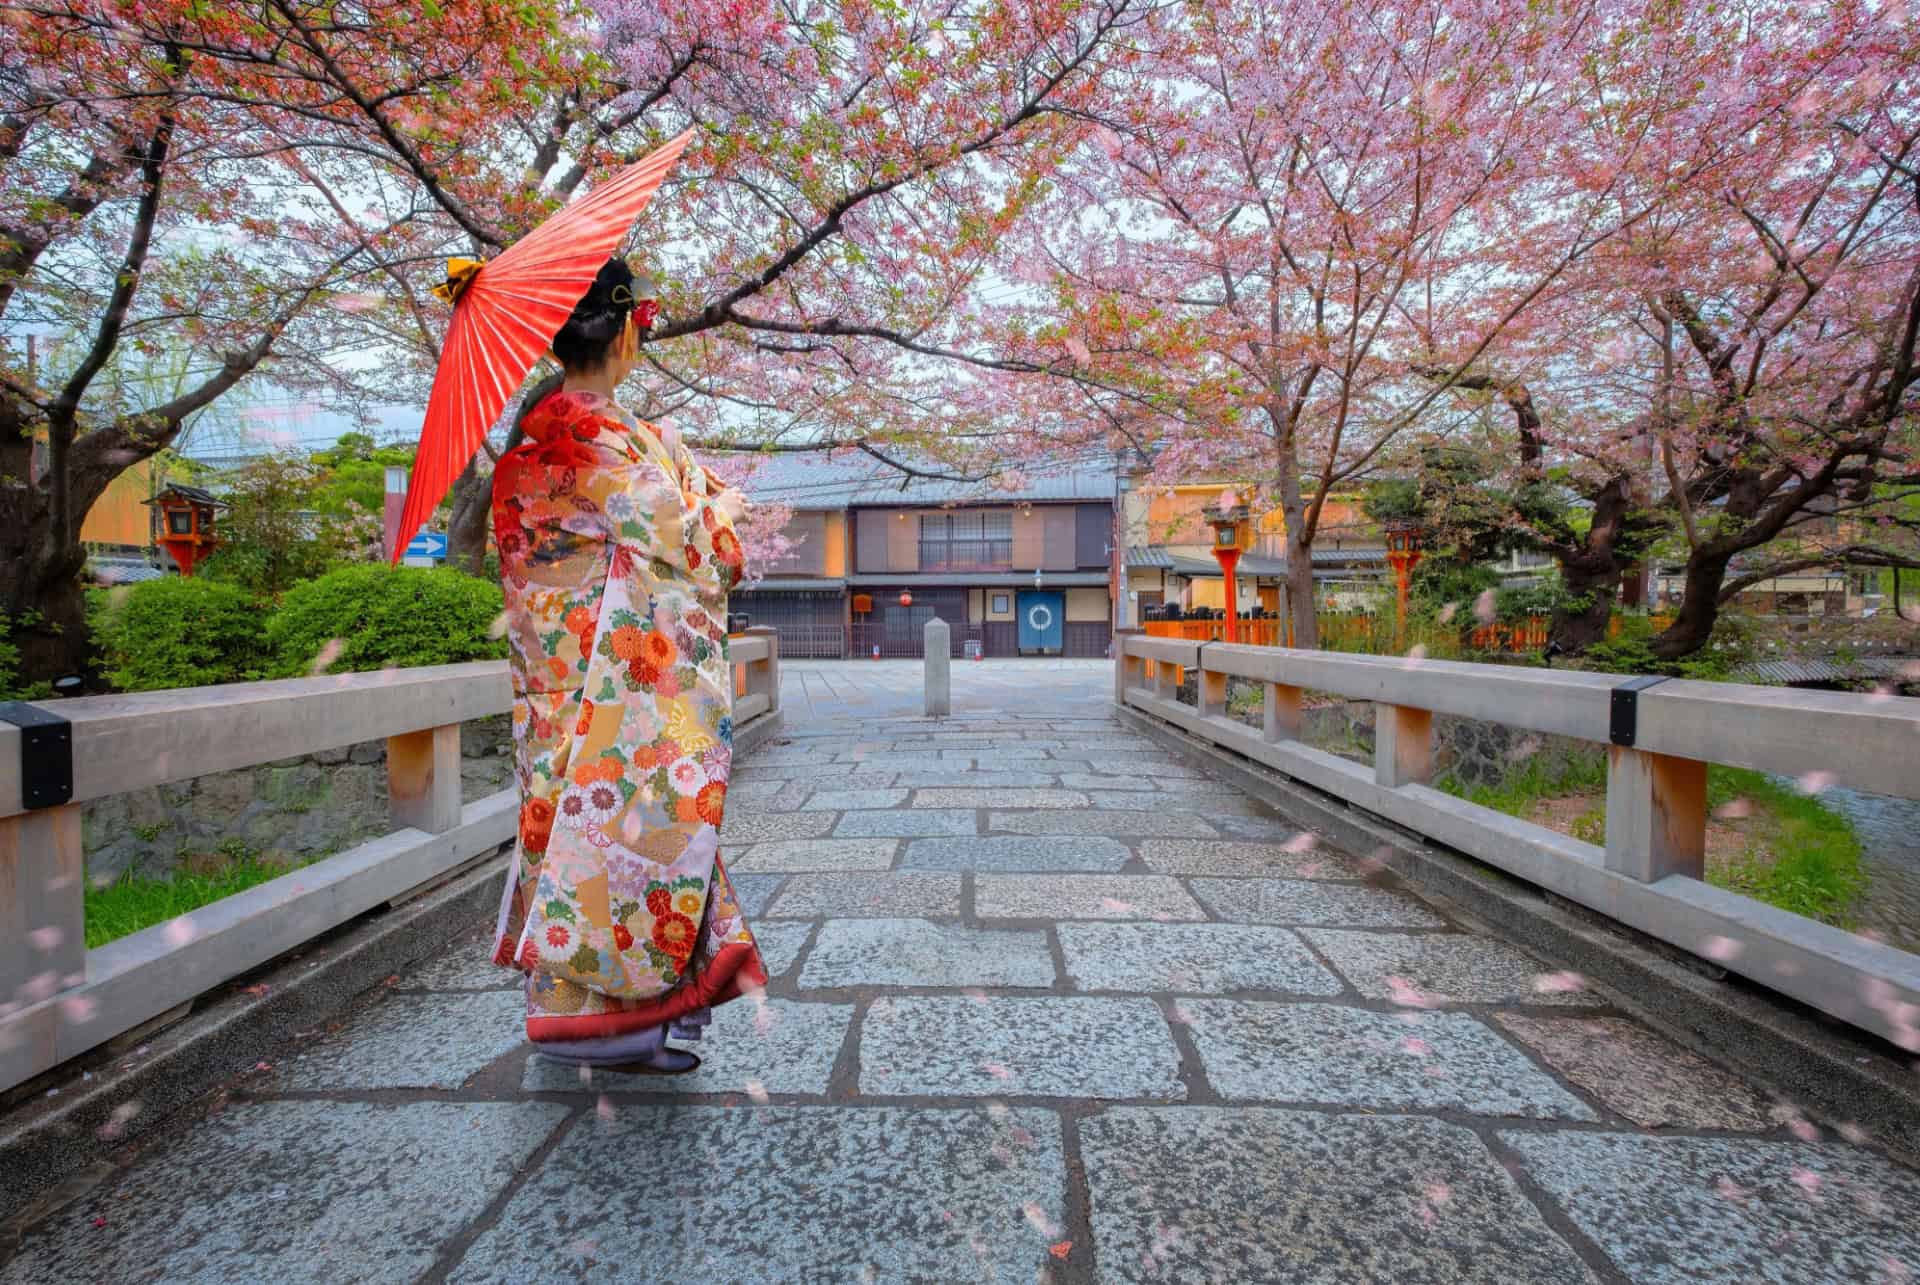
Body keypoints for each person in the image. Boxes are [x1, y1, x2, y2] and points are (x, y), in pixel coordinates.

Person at [488, 257, 766, 1074]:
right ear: (626, 334)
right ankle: (626, 1029)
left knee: (565, 838)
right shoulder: (607, 445)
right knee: (635, 840)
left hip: (552, 685)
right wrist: (721, 501)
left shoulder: (529, 447)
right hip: (616, 688)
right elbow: (703, 549)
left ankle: (570, 1014)